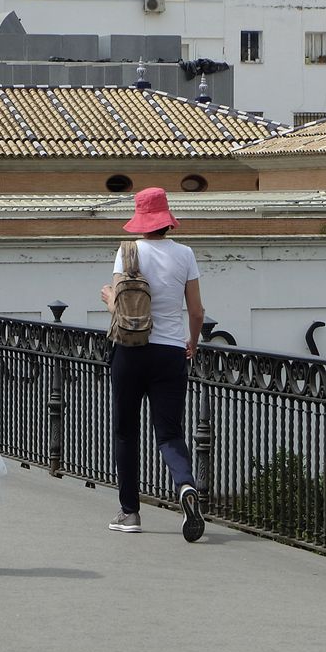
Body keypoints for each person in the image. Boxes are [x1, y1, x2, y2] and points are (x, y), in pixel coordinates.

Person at [97, 187, 206, 542]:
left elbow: (119, 311)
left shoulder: (127, 251)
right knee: (170, 432)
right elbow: (196, 310)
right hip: (171, 353)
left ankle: (130, 512)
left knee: (126, 432)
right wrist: (192, 340)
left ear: (140, 219)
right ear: (167, 221)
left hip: (130, 352)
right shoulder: (185, 254)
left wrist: (109, 298)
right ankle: (186, 485)